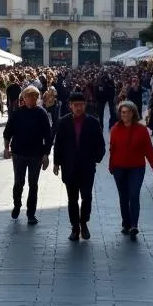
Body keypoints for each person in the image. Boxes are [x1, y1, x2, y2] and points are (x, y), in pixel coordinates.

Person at [53, 90, 105, 242]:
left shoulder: (93, 122)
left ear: (85, 105)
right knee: (72, 199)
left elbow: (100, 144)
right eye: (76, 105)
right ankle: (75, 227)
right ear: (70, 106)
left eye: (81, 105)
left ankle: (84, 223)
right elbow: (58, 144)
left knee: (87, 196)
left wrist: (96, 158)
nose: (79, 108)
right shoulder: (63, 122)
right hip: (69, 167)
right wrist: (56, 162)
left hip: (87, 167)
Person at [2, 86, 54, 225]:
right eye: (29, 96)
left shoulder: (41, 113)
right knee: (18, 182)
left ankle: (31, 213)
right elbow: (8, 132)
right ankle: (17, 205)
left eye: (35, 97)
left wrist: (46, 154)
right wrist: (6, 148)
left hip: (35, 155)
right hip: (19, 153)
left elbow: (48, 136)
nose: (32, 99)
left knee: (33, 184)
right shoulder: (17, 113)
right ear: (23, 98)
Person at [109, 100, 153, 238]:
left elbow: (148, 148)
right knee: (123, 197)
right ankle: (126, 223)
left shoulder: (141, 130)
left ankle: (134, 225)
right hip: (119, 168)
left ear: (133, 113)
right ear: (120, 114)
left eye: (128, 112)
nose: (125, 114)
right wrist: (111, 165)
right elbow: (112, 149)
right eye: (123, 112)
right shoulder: (115, 129)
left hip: (136, 167)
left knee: (134, 194)